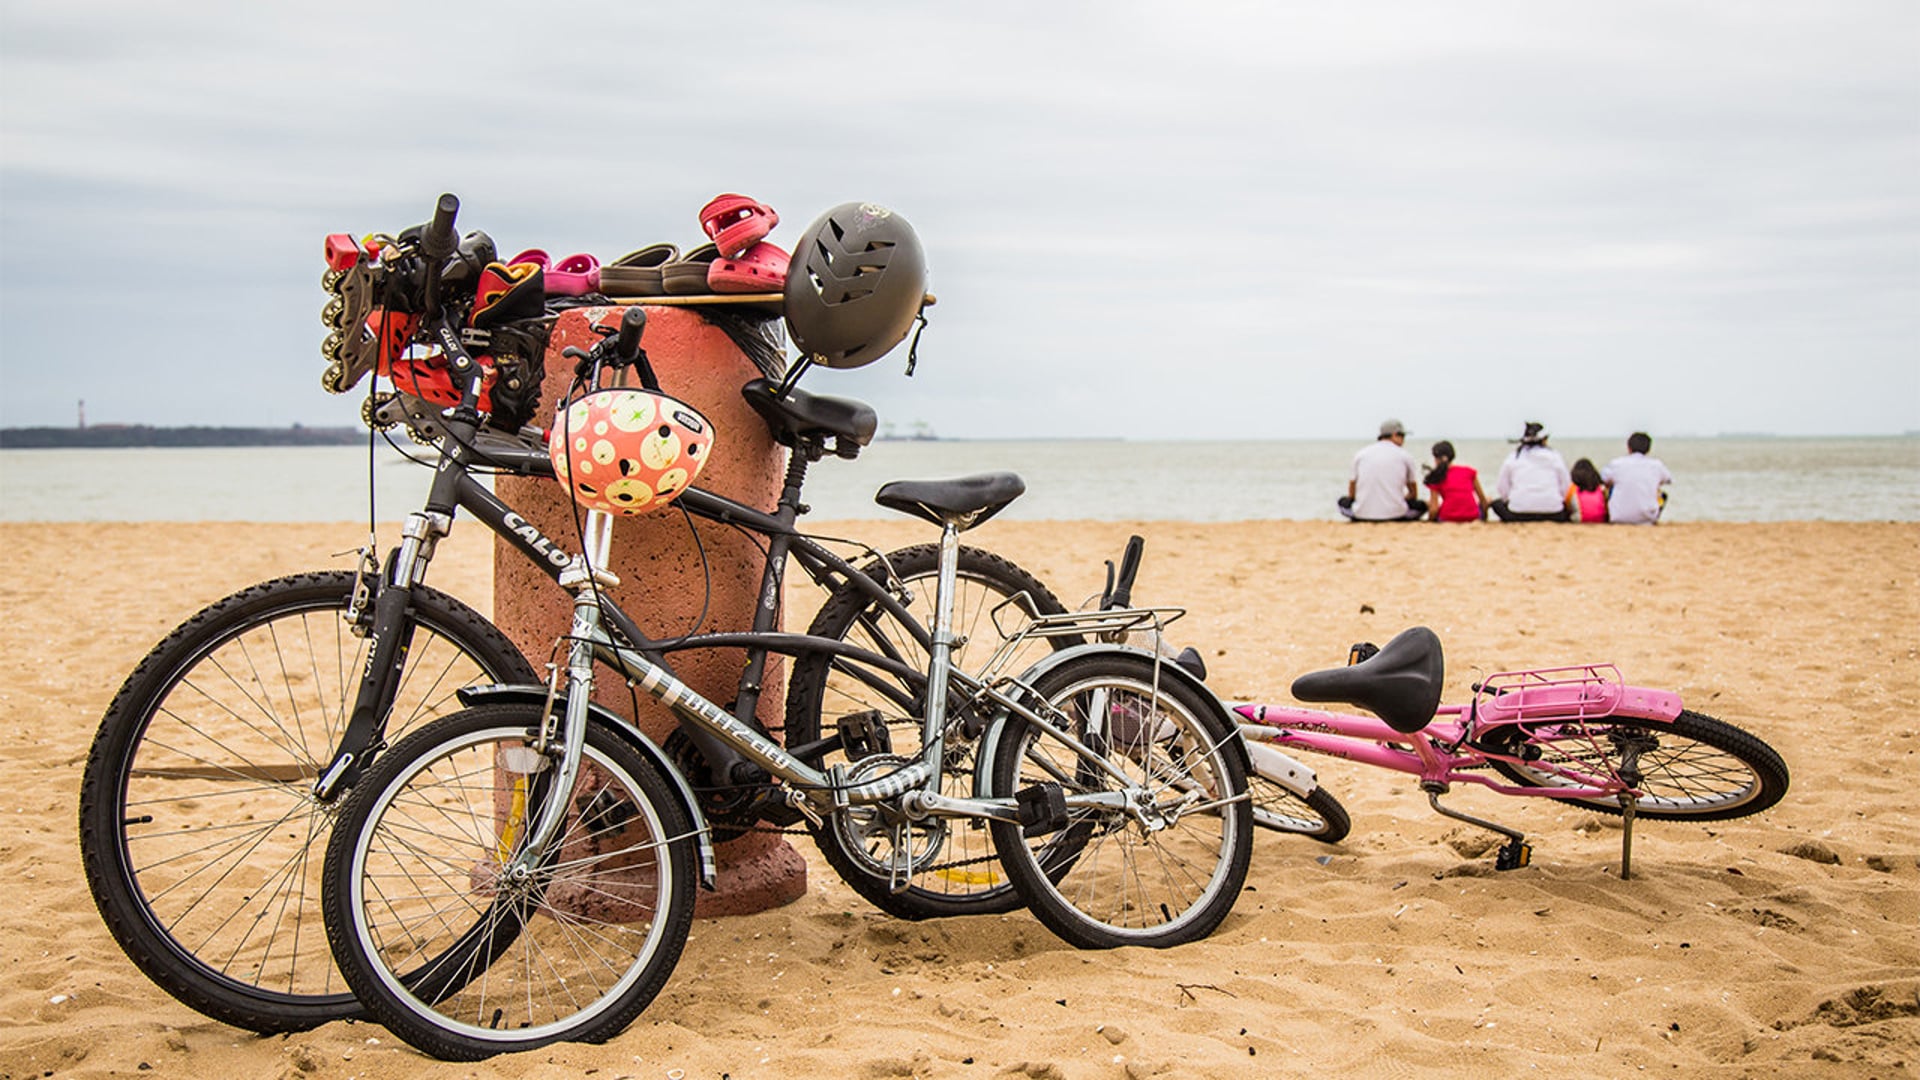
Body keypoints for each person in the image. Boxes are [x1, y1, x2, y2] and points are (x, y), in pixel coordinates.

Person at [1338, 419, 1427, 522]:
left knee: (1340, 502)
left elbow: (1352, 492)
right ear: (1395, 435)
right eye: (1402, 436)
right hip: (1396, 514)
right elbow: (1413, 493)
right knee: (1422, 505)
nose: (1404, 440)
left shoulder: (1361, 454)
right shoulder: (1405, 456)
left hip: (1362, 514)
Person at [1490, 421, 1573, 522]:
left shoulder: (1513, 457)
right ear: (1544, 440)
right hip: (1553, 513)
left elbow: (1502, 489)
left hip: (1518, 513)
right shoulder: (1555, 457)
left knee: (1495, 503)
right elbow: (1566, 487)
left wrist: (1513, 500)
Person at [1603, 431, 1673, 524]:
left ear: (1629, 448)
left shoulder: (1617, 464)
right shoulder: (1656, 465)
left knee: (1608, 488)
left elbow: (1603, 479)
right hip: (1648, 519)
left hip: (1618, 517)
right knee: (1661, 494)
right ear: (1648, 449)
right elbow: (1668, 479)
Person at [1424, 440, 1487, 522]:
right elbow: (1482, 499)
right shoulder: (1469, 472)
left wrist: (1430, 520)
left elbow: (1434, 509)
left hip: (1447, 517)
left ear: (1436, 459)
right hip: (1472, 516)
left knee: (1430, 503)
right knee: (1488, 499)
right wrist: (1484, 517)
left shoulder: (1436, 477)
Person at [1567, 458, 1608, 523]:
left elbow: (1568, 505)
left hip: (1580, 519)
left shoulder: (1573, 488)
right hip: (1600, 519)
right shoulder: (1601, 488)